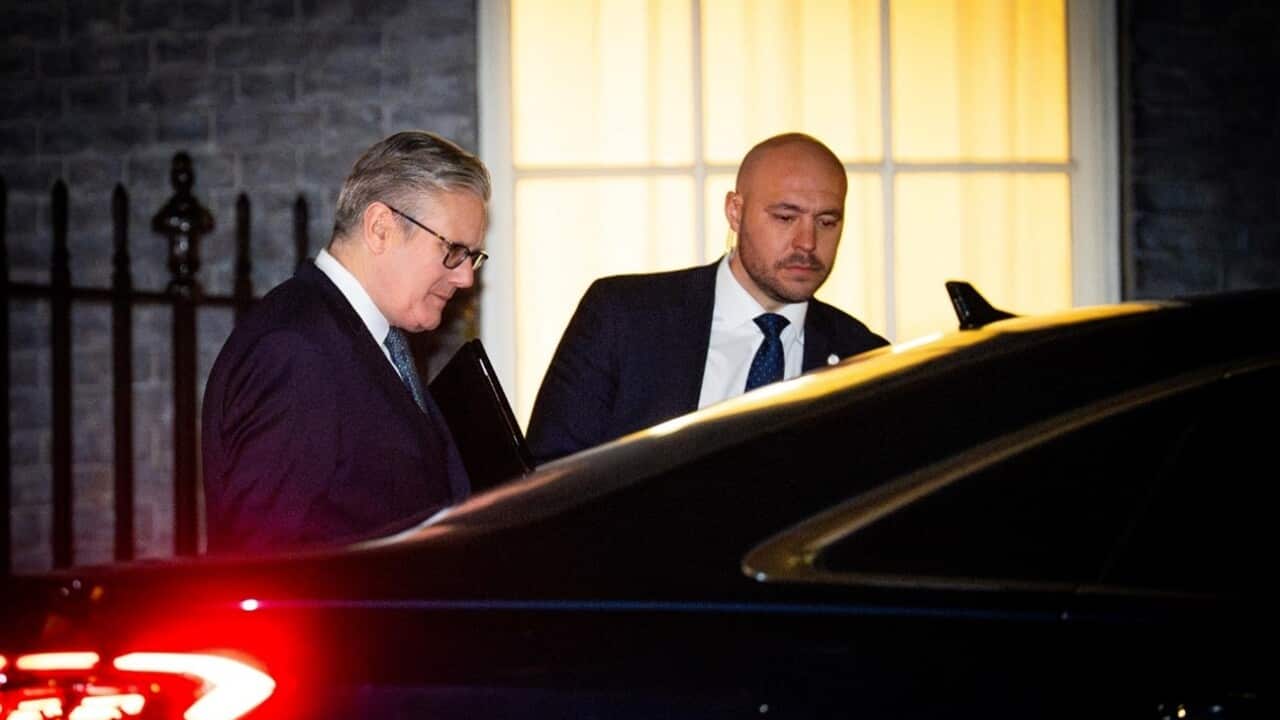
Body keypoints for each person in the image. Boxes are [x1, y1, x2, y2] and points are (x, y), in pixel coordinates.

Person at [202, 130, 489, 554]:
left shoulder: (366, 335)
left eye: (472, 257)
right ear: (380, 228)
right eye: (453, 250)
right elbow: (260, 566)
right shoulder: (297, 350)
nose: (465, 277)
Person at [526, 132, 888, 464]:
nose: (807, 243)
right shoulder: (624, 317)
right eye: (784, 217)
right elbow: (547, 476)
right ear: (735, 211)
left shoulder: (866, 358)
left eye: (827, 222)